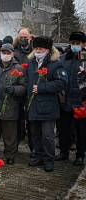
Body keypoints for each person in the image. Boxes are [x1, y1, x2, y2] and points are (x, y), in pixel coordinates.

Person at [27, 36, 68, 172]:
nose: (38, 51)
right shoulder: (32, 62)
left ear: (48, 50)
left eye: (41, 49)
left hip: (48, 106)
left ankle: (49, 159)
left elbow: (62, 82)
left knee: (48, 135)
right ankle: (39, 156)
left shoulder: (55, 63)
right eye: (36, 48)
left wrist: (42, 88)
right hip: (33, 105)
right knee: (35, 134)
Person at [0, 43, 26, 164]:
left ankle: (10, 155)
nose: (5, 55)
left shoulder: (18, 68)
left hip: (10, 106)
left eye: (8, 53)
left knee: (10, 135)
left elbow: (24, 87)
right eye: (3, 53)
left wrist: (15, 90)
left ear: (12, 54)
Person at [55, 32, 86, 166]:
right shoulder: (63, 59)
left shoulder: (84, 59)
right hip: (65, 99)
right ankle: (64, 151)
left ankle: (80, 154)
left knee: (81, 130)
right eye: (72, 43)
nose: (75, 46)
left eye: (77, 44)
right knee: (64, 128)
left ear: (83, 45)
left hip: (81, 100)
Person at [13, 27, 35, 156]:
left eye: (25, 37)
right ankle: (13, 147)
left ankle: (34, 149)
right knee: (16, 120)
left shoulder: (35, 50)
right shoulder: (14, 51)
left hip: (31, 90)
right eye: (20, 37)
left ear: (30, 37)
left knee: (31, 121)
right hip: (17, 89)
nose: (22, 39)